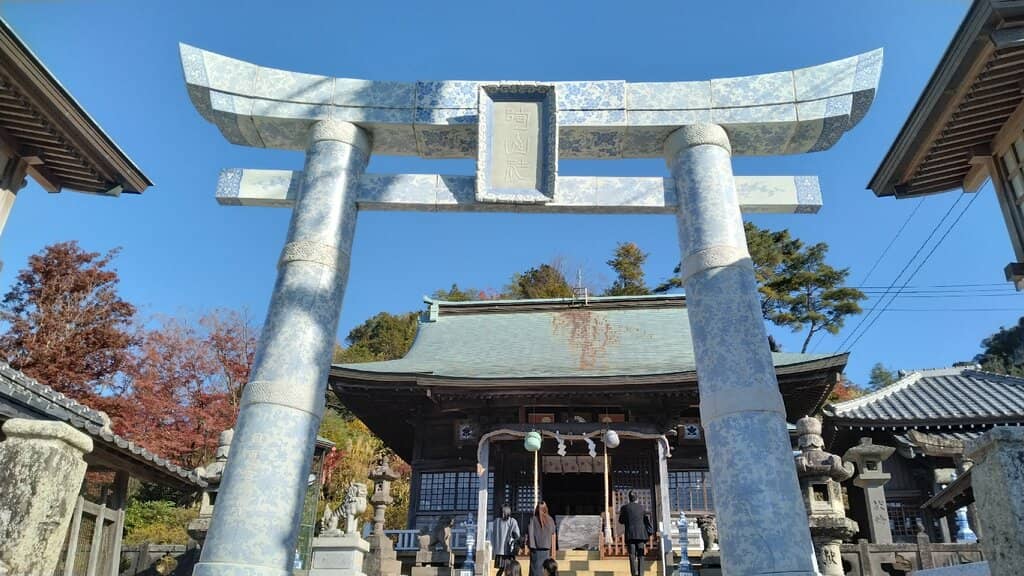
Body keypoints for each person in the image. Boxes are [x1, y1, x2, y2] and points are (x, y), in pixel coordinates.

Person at [618, 491, 653, 576]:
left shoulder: (625, 508)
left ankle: (634, 573)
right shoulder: (642, 507)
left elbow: (621, 521)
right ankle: (641, 574)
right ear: (636, 498)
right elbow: (646, 521)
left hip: (630, 535)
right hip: (641, 534)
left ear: (629, 498)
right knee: (641, 555)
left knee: (632, 555)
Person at [527, 501, 556, 576]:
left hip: (535, 550)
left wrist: (530, 546)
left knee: (535, 570)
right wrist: (552, 551)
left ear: (536, 509)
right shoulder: (550, 519)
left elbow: (530, 533)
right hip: (546, 550)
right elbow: (553, 533)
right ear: (545, 509)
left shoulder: (533, 519)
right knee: (545, 569)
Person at [493, 505, 521, 576]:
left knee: (501, 569)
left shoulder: (496, 521)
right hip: (508, 551)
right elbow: (517, 535)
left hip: (498, 551)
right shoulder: (512, 521)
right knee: (510, 569)